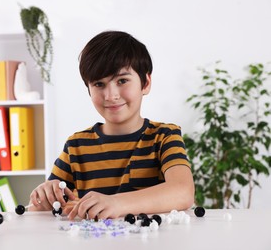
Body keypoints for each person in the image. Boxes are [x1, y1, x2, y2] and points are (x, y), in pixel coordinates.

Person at [29, 30, 194, 220]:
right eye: (99, 84)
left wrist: (116, 203)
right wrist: (44, 197)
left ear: (146, 83)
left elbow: (183, 191)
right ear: (88, 90)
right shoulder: (76, 147)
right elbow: (42, 210)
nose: (111, 95)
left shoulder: (165, 136)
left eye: (122, 80)